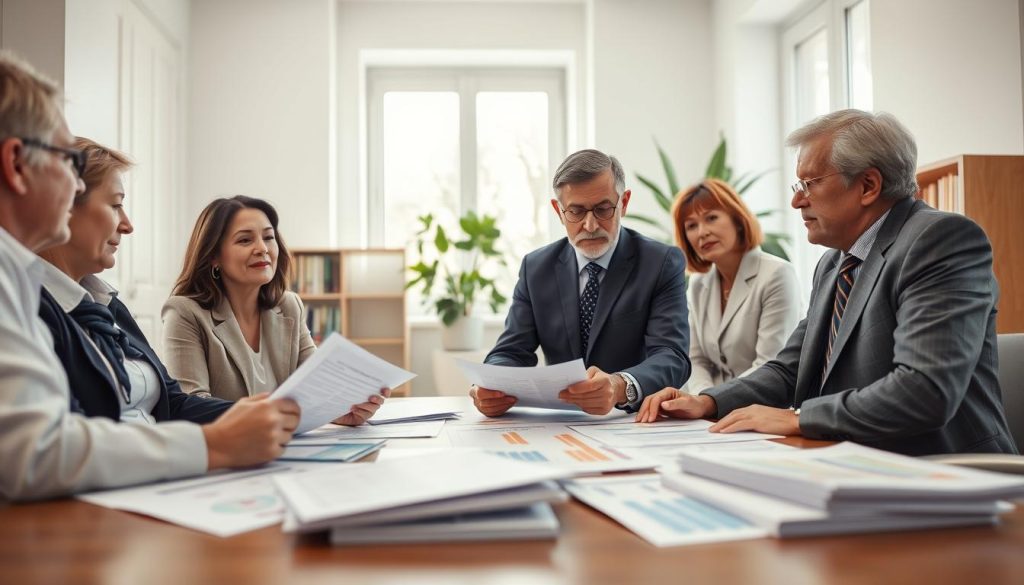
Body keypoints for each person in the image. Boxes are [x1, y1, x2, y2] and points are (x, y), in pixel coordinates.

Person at [0, 52, 299, 502]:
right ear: (18, 165)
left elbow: (170, 404)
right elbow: (38, 451)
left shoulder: (93, 299)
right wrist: (213, 444)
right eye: (66, 161)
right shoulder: (22, 287)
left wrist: (258, 417)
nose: (75, 183)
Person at [636, 109, 1017, 456]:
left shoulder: (940, 241)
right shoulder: (835, 261)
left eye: (810, 184)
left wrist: (799, 418)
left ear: (868, 185)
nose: (797, 202)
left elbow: (924, 392)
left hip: (948, 473)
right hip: (855, 462)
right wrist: (709, 402)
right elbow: (791, 366)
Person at [471, 149, 689, 417]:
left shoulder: (660, 262)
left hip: (634, 420)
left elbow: (672, 356)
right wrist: (490, 385)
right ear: (558, 211)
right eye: (575, 211)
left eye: (603, 209)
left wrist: (620, 386)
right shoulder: (536, 268)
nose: (590, 224)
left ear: (624, 203)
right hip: (562, 422)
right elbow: (511, 351)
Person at [162, 196, 388, 422]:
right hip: (226, 451)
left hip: (285, 447)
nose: (262, 248)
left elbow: (317, 387)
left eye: (269, 237)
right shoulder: (184, 312)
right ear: (214, 256)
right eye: (244, 240)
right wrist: (273, 415)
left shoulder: (289, 306)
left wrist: (341, 410)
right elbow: (192, 406)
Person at [670, 179, 800, 395]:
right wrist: (705, 400)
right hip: (714, 412)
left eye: (711, 218)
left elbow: (770, 365)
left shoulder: (777, 274)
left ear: (738, 220)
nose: (702, 232)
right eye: (691, 226)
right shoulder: (698, 283)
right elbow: (695, 358)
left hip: (765, 406)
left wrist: (713, 402)